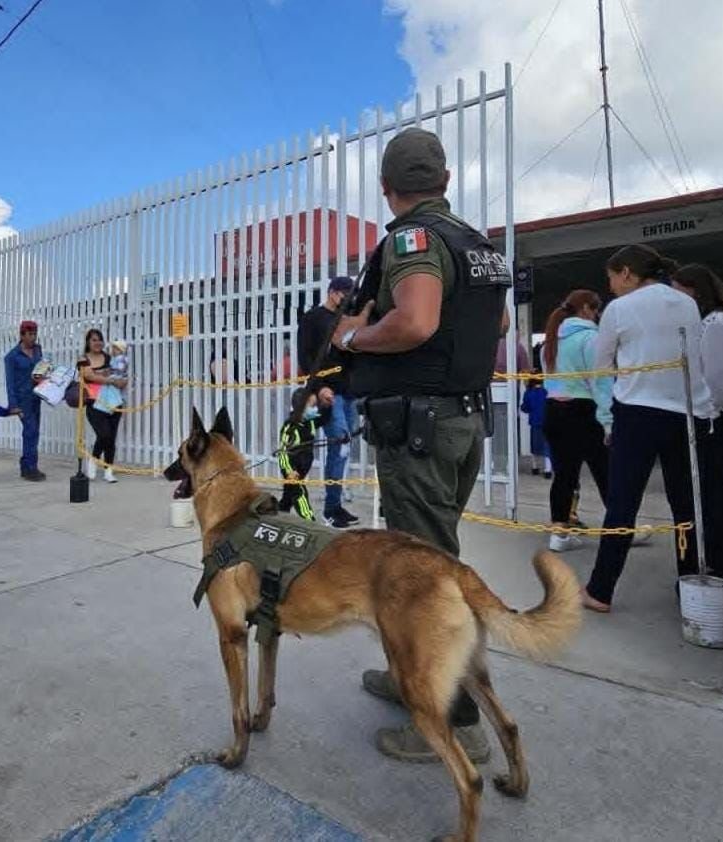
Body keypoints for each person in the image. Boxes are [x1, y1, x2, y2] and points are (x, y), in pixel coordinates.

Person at [331, 127, 511, 765]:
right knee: (435, 561)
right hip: (459, 425)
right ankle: (408, 676)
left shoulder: (413, 240)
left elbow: (415, 320)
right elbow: (501, 323)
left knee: (424, 579)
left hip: (420, 430)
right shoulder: (475, 243)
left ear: (388, 188)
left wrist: (352, 339)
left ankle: (453, 720)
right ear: (445, 181)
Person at [582, 245, 716, 613]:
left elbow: (601, 367)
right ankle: (691, 586)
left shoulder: (619, 309)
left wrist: (606, 416)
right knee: (685, 505)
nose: (610, 287)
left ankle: (600, 590)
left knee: (623, 504)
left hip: (638, 413)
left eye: (611, 277)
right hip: (688, 414)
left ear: (626, 272)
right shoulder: (686, 303)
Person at [671, 264, 723, 581]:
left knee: (714, 492)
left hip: (716, 416)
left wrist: (699, 414)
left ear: (694, 291)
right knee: (720, 490)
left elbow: (717, 383)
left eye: (678, 290)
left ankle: (721, 559)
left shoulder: (715, 325)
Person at [540, 290, 612, 552]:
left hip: (554, 411)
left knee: (564, 475)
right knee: (606, 472)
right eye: (596, 309)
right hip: (584, 411)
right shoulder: (591, 338)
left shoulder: (551, 338)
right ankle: (620, 530)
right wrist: (608, 421)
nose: (598, 315)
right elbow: (601, 382)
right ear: (585, 309)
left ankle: (559, 533)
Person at [297, 276, 360, 527]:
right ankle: (331, 510)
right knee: (340, 445)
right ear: (333, 293)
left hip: (348, 393)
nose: (349, 299)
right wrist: (319, 387)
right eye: (345, 294)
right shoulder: (313, 318)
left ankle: (335, 506)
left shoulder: (347, 318)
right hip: (328, 393)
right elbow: (305, 356)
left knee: (342, 450)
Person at [80, 328, 126, 483]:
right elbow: (88, 375)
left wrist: (120, 380)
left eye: (100, 339)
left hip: (113, 402)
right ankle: (93, 460)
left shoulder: (108, 357)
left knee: (111, 438)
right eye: (94, 340)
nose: (97, 343)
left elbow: (121, 373)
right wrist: (109, 379)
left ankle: (108, 470)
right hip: (94, 403)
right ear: (88, 342)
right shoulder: (82, 358)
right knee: (104, 434)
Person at [4, 320, 46, 481]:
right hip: (22, 400)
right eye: (30, 334)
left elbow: (41, 368)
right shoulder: (12, 357)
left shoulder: (37, 350)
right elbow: (10, 382)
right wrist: (13, 405)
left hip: (37, 397)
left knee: (33, 432)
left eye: (35, 334)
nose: (33, 338)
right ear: (22, 335)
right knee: (31, 431)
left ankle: (25, 465)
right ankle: (30, 468)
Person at [277, 389, 320, 521]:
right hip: (292, 467)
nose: (314, 409)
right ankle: (310, 521)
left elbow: (325, 418)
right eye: (312, 406)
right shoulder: (290, 427)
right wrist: (289, 471)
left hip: (303, 465)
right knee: (299, 493)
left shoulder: (309, 422)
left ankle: (279, 513)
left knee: (288, 494)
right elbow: (283, 452)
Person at [519, 374, 551, 477]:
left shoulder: (528, 393)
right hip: (546, 421)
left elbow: (525, 408)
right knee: (547, 446)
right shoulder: (546, 392)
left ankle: (535, 467)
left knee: (535, 446)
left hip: (534, 422)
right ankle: (548, 470)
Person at [93, 339, 129, 414]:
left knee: (110, 389)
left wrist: (109, 371)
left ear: (120, 350)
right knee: (105, 388)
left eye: (115, 349)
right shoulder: (114, 359)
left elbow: (120, 369)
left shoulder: (122, 358)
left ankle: (110, 404)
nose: (113, 350)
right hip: (114, 376)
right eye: (113, 348)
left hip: (118, 377)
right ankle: (106, 404)